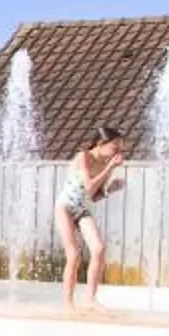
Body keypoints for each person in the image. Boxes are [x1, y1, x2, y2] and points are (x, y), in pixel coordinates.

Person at [54, 127, 126, 311]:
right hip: (64, 207)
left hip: (80, 208)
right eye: (115, 147)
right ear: (101, 144)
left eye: (120, 149)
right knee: (74, 255)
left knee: (99, 248)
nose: (118, 152)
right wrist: (110, 167)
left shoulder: (104, 163)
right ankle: (68, 303)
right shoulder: (83, 156)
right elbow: (88, 187)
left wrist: (110, 189)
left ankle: (90, 299)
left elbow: (94, 196)